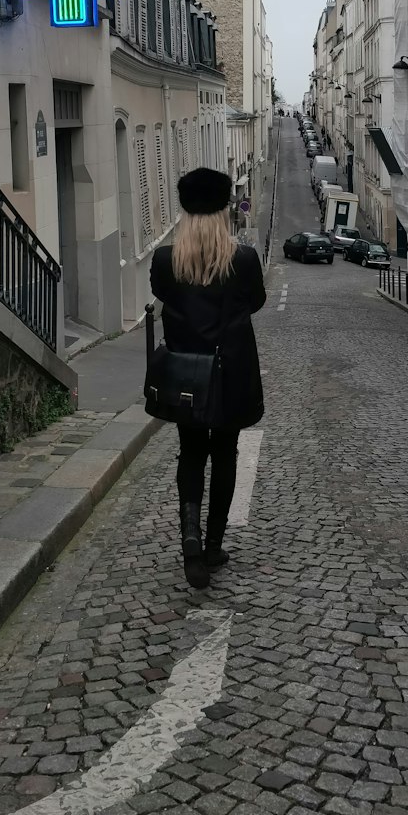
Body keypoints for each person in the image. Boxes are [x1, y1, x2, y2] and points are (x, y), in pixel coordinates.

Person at [150, 168, 266, 589]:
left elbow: (164, 296)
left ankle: (191, 540)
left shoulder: (166, 260)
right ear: (223, 210)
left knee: (191, 453)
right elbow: (255, 301)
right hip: (230, 374)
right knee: (225, 455)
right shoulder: (244, 260)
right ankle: (214, 544)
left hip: (186, 375)